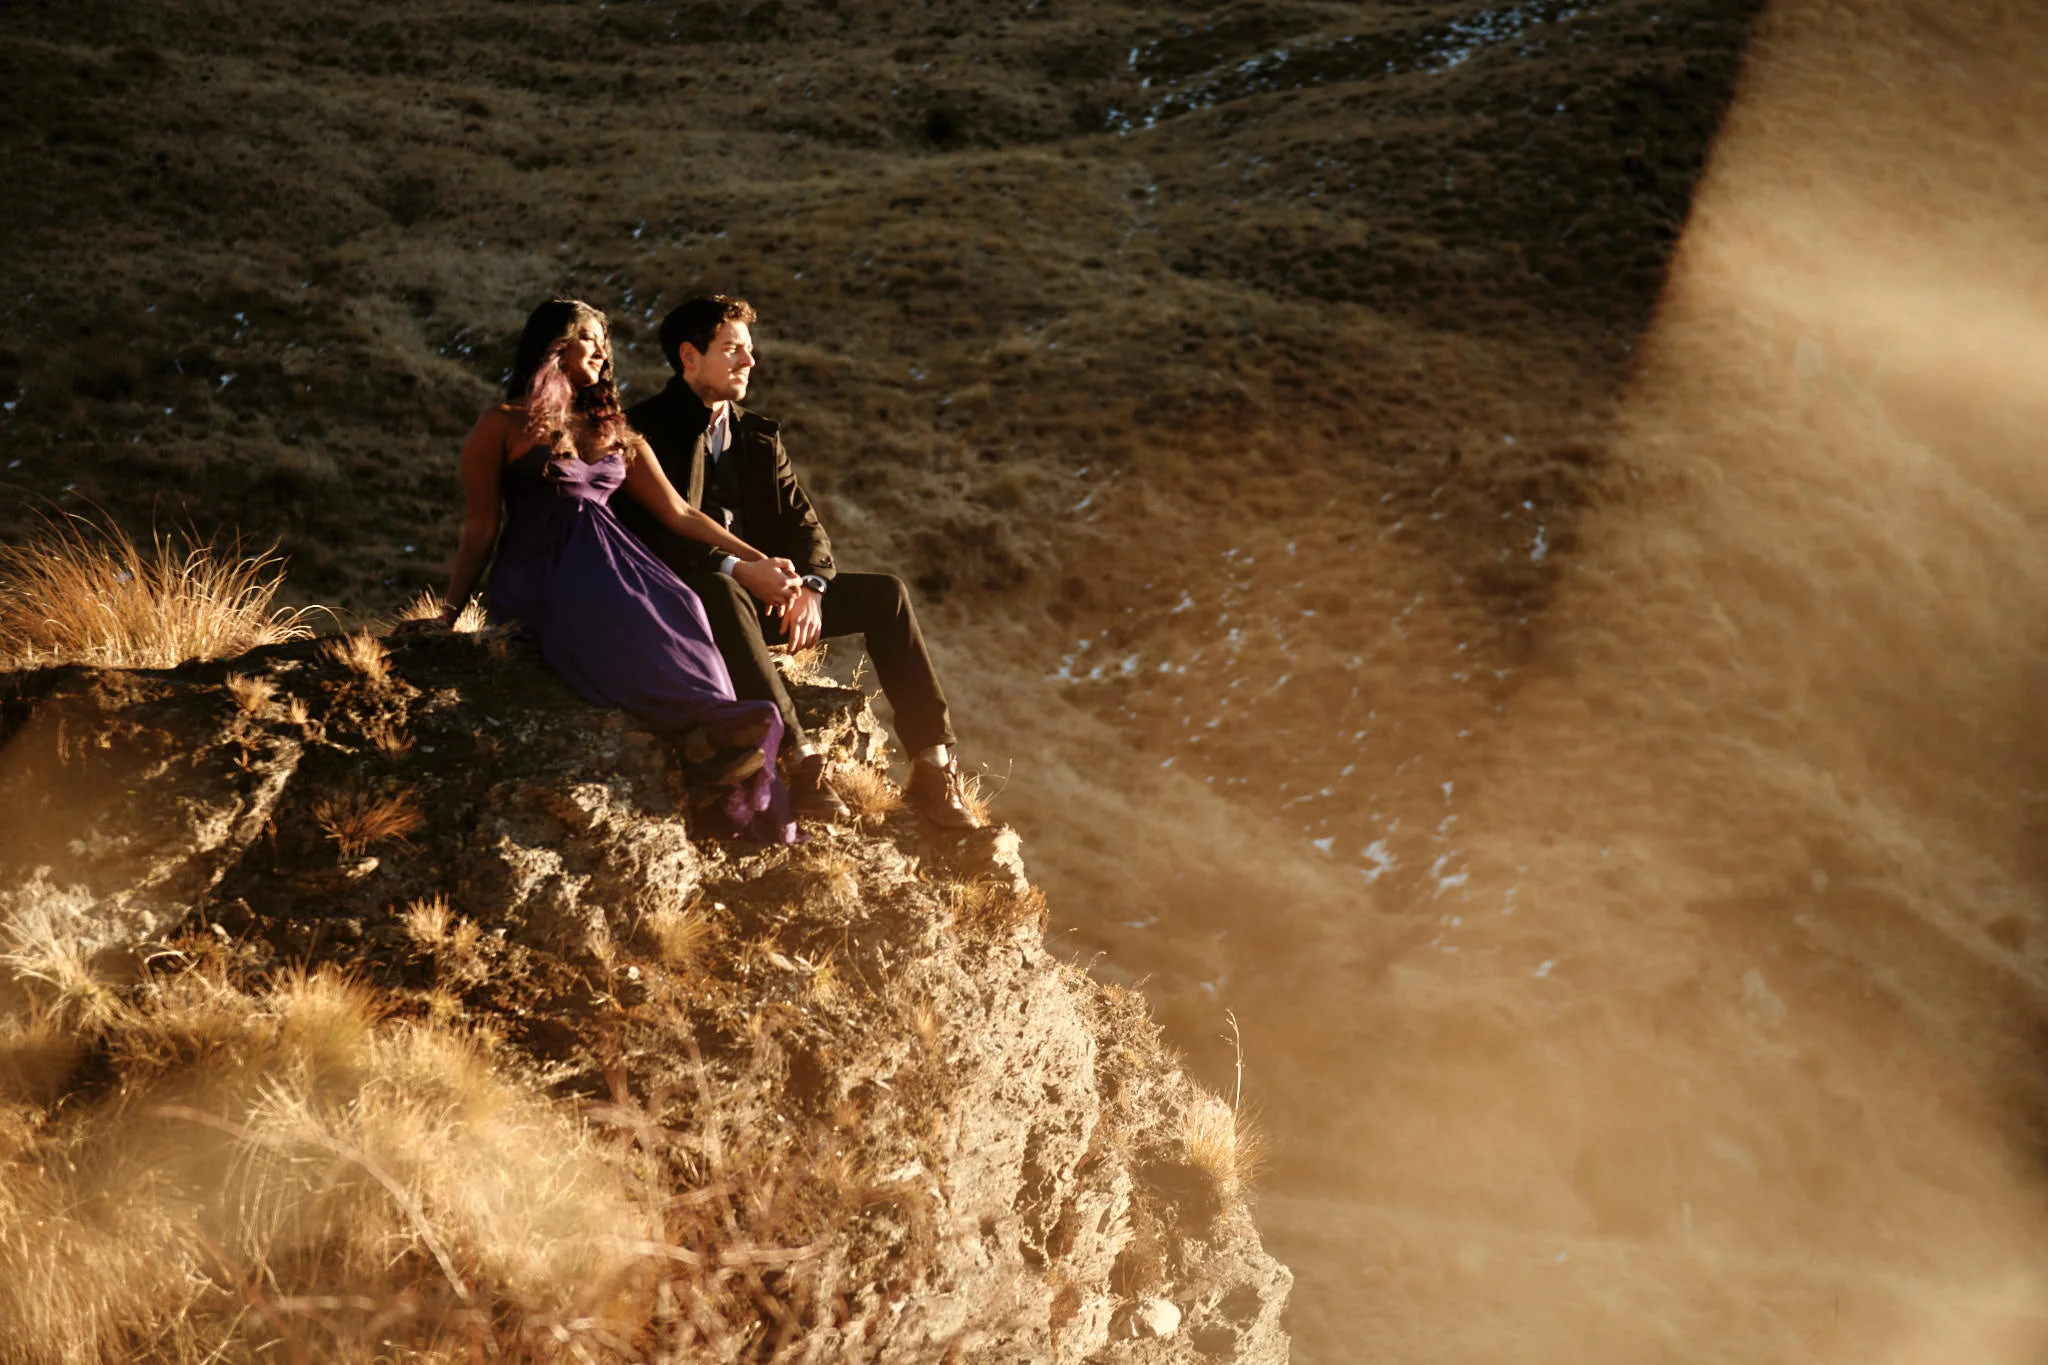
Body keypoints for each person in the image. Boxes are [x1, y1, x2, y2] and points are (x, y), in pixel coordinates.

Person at [424, 297, 803, 843]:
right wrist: (449, 615)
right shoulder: (502, 425)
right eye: (589, 337)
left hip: (617, 565)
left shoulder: (613, 429)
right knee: (629, 615)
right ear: (554, 344)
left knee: (685, 605)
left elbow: (680, 513)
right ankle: (713, 729)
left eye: (606, 340)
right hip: (545, 574)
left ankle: (714, 740)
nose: (602, 350)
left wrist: (756, 559)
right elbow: (481, 529)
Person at [612, 295, 980, 828]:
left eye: (750, 350)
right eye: (733, 350)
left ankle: (933, 767)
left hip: (766, 597)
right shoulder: (643, 430)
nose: (749, 362)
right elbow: (651, 535)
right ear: (689, 357)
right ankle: (802, 763)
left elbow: (806, 525)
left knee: (887, 595)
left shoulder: (758, 435)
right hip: (686, 606)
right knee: (721, 589)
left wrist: (810, 586)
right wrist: (742, 571)